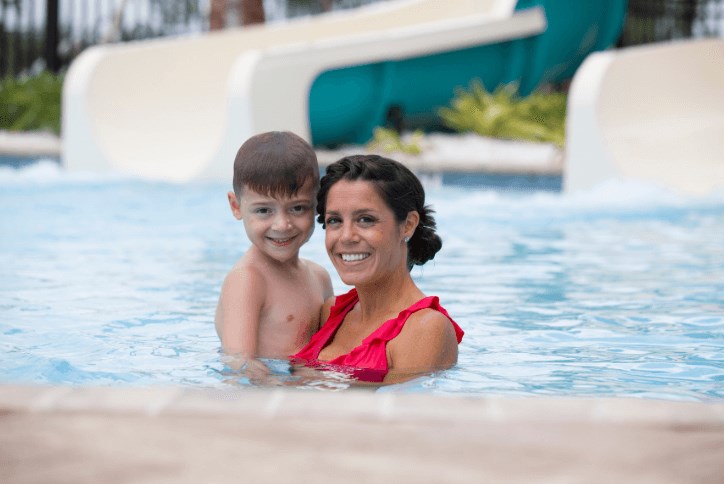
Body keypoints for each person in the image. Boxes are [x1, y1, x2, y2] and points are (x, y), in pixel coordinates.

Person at [291, 154, 463, 384]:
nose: (346, 236)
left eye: (365, 219)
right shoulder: (332, 312)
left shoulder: (425, 329)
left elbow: (395, 417)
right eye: (334, 221)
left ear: (408, 225)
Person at [215, 131, 333, 376]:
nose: (282, 225)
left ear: (317, 204)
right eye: (264, 211)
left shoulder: (319, 277)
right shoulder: (248, 279)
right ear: (236, 206)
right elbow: (239, 363)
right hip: (269, 401)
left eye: (297, 208)